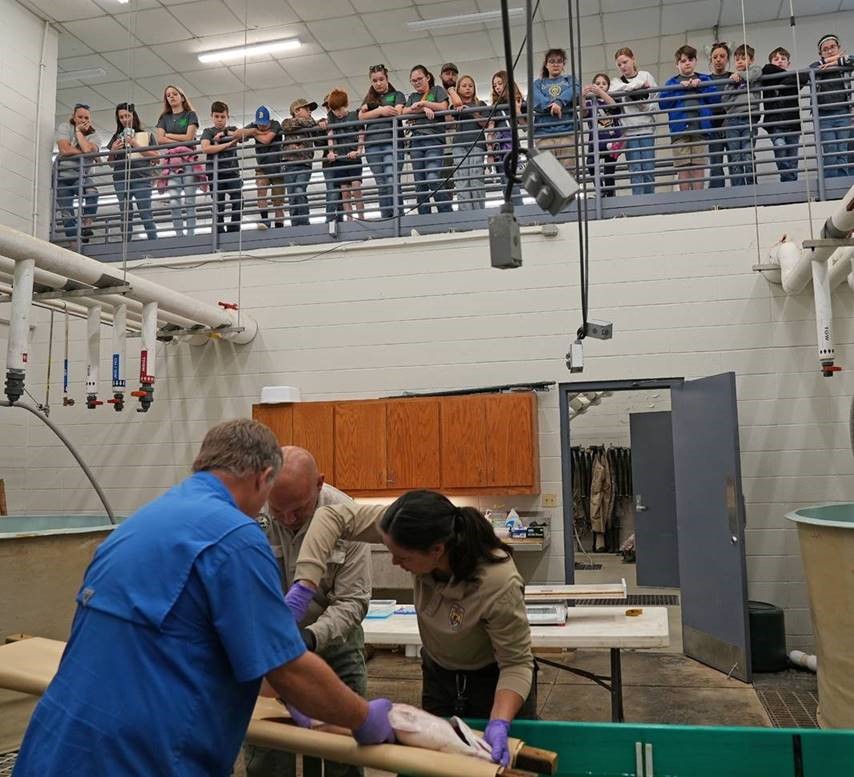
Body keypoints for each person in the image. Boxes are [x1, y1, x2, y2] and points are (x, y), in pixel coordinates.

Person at [12, 419, 394, 777]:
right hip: (143, 755)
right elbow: (287, 669)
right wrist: (362, 717)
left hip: (56, 742)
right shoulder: (235, 538)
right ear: (264, 478)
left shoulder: (137, 525)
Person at [287, 490, 536, 768]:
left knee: (496, 765)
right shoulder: (407, 525)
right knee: (437, 765)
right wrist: (305, 584)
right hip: (439, 675)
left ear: (437, 550)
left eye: (402, 557)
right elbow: (330, 515)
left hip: (492, 683)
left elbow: (516, 663)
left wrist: (500, 720)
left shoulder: (497, 582)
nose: (395, 562)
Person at [244, 447, 370, 777]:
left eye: (298, 511)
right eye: (278, 510)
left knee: (345, 749)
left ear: (319, 483)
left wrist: (309, 638)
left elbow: (352, 602)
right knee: (266, 746)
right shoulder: (250, 513)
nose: (287, 519)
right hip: (268, 649)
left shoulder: (347, 515)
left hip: (334, 645)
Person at [660, 45, 719, 191]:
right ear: (677, 64)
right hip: (680, 132)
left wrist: (701, 86)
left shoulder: (704, 79)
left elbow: (716, 100)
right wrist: (679, 88)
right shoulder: (672, 83)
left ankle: (699, 200)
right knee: (683, 169)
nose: (687, 63)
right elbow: (663, 104)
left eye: (690, 59)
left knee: (699, 167)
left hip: (700, 130)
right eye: (683, 60)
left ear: (695, 61)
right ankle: (686, 202)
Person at [402, 65, 452, 215]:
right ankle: (424, 219)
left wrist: (424, 104)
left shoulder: (437, 90)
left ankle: (447, 212)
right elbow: (404, 111)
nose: (417, 83)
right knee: (420, 184)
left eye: (419, 79)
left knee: (432, 177)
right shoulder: (412, 97)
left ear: (428, 77)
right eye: (413, 81)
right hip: (416, 141)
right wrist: (423, 109)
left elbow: (443, 106)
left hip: (434, 140)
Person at [608, 48, 658, 195]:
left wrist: (644, 103)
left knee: (648, 168)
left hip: (646, 129)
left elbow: (655, 100)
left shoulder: (646, 75)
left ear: (633, 59)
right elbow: (614, 90)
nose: (623, 66)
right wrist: (637, 87)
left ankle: (650, 201)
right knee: (635, 170)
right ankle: (638, 202)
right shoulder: (616, 82)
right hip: (629, 131)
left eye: (625, 62)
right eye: (619, 65)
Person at [358, 64, 406, 219]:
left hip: (392, 142)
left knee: (392, 178)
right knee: (381, 183)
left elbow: (396, 112)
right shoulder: (369, 98)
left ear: (387, 79)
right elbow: (361, 116)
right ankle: (387, 218)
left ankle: (398, 217)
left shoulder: (397, 95)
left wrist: (373, 110)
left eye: (381, 79)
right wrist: (380, 111)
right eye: (374, 80)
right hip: (372, 146)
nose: (378, 83)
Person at [106, 102, 159, 242]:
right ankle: (126, 244)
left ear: (133, 116)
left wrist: (135, 144)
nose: (124, 119)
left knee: (145, 211)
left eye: (127, 116)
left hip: (142, 178)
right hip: (120, 178)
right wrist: (113, 150)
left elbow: (156, 158)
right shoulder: (116, 137)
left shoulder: (146, 135)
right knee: (125, 213)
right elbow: (110, 163)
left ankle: (154, 242)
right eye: (121, 117)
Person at [155, 85, 200, 236]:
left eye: (174, 94)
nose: (172, 97)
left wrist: (170, 135)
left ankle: (191, 236)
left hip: (188, 162)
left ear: (181, 96)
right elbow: (160, 140)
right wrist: (178, 139)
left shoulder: (190, 115)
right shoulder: (164, 118)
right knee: (174, 200)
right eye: (168, 95)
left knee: (189, 201)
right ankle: (179, 236)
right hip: (172, 163)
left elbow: (189, 138)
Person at [54, 103, 100, 243]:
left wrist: (79, 133)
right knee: (67, 215)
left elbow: (87, 149)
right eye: (79, 117)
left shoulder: (94, 135)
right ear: (73, 117)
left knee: (93, 193)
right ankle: (74, 245)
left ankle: (86, 227)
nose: (83, 120)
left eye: (86, 117)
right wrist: (87, 154)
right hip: (62, 176)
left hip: (80, 175)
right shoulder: (65, 127)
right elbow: (64, 149)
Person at [809, 34, 854, 179]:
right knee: (830, 150)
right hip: (824, 115)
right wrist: (827, 62)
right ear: (820, 53)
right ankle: (829, 186)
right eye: (825, 49)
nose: (829, 51)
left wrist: (836, 62)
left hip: (843, 113)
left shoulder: (845, 64)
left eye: (832, 47)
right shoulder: (818, 67)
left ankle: (841, 185)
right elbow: (809, 70)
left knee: (842, 151)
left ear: (839, 48)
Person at [531, 48, 580, 172]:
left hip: (568, 133)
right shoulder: (538, 83)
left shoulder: (570, 80)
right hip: (544, 135)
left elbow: (576, 89)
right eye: (552, 61)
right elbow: (533, 96)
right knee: (548, 175)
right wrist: (550, 105)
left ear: (563, 64)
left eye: (559, 61)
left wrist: (559, 102)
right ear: (546, 65)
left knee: (568, 175)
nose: (555, 64)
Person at [237, 106, 285, 229]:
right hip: (262, 167)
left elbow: (266, 140)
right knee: (261, 188)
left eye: (264, 124)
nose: (262, 127)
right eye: (259, 124)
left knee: (278, 201)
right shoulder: (254, 125)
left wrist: (253, 133)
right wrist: (254, 131)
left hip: (278, 168)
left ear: (269, 120)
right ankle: (265, 220)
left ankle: (279, 226)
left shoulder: (275, 124)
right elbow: (238, 134)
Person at [721, 44, 762, 187]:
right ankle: (738, 188)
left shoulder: (755, 71)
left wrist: (740, 76)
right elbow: (725, 102)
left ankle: (752, 186)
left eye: (743, 58)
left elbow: (754, 74)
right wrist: (734, 82)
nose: (739, 61)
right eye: (737, 59)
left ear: (751, 60)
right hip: (732, 121)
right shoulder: (731, 80)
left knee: (747, 154)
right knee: (735, 157)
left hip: (748, 119)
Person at [447, 75, 489, 210]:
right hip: (459, 145)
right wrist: (454, 93)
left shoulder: (480, 104)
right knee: (462, 179)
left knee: (476, 177)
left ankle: (478, 212)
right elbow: (455, 106)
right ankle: (465, 214)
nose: (467, 88)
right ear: (458, 89)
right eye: (464, 86)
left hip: (477, 144)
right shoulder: (455, 105)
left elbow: (485, 123)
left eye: (470, 86)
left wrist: (471, 112)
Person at [200, 100, 243, 234]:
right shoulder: (208, 131)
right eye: (217, 116)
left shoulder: (233, 130)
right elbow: (206, 148)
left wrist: (225, 135)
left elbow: (243, 136)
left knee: (239, 199)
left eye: (222, 117)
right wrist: (226, 145)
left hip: (232, 172)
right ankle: (219, 231)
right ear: (212, 116)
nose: (219, 119)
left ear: (227, 117)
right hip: (215, 173)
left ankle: (234, 228)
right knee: (219, 204)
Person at [761, 46, 801, 183]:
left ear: (788, 64)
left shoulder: (794, 77)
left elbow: (804, 77)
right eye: (776, 59)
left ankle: (790, 185)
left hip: (793, 125)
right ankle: (787, 180)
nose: (779, 61)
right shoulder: (767, 75)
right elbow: (767, 68)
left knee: (793, 158)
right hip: (776, 124)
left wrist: (783, 80)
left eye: (783, 59)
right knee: (780, 147)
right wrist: (786, 79)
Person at [325, 89, 365, 222]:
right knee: (345, 192)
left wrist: (358, 151)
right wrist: (331, 151)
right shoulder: (331, 116)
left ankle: (361, 217)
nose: (338, 113)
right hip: (340, 159)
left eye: (340, 109)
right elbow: (330, 135)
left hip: (353, 158)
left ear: (346, 105)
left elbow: (361, 135)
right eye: (335, 110)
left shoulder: (354, 115)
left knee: (356, 187)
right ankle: (350, 219)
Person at [282, 98, 323, 227]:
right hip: (289, 164)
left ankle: (304, 223)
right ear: (296, 111)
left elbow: (319, 139)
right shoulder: (288, 122)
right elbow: (287, 125)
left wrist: (316, 124)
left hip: (304, 164)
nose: (310, 112)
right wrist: (310, 122)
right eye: (306, 109)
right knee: (292, 196)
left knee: (300, 190)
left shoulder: (311, 125)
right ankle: (295, 224)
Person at [488, 71, 525, 206]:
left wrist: (518, 110)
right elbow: (490, 131)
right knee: (504, 183)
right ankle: (511, 210)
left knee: (512, 182)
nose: (497, 87)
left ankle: (519, 211)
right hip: (499, 148)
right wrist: (490, 152)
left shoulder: (518, 100)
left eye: (500, 83)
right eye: (494, 85)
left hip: (511, 146)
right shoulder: (494, 106)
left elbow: (525, 126)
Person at [582, 74, 622, 197]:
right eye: (597, 84)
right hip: (595, 140)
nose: (600, 86)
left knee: (609, 170)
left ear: (608, 87)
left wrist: (600, 92)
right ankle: (601, 190)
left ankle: (610, 195)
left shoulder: (611, 98)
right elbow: (584, 113)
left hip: (611, 139)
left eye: (604, 84)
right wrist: (582, 96)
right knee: (590, 163)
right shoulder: (590, 102)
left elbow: (614, 106)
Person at [706, 43, 733, 188]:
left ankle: (740, 194)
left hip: (731, 124)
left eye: (722, 56)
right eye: (715, 57)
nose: (718, 59)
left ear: (727, 59)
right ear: (711, 60)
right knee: (716, 165)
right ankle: (717, 196)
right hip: (713, 125)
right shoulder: (706, 80)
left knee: (735, 161)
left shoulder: (733, 77)